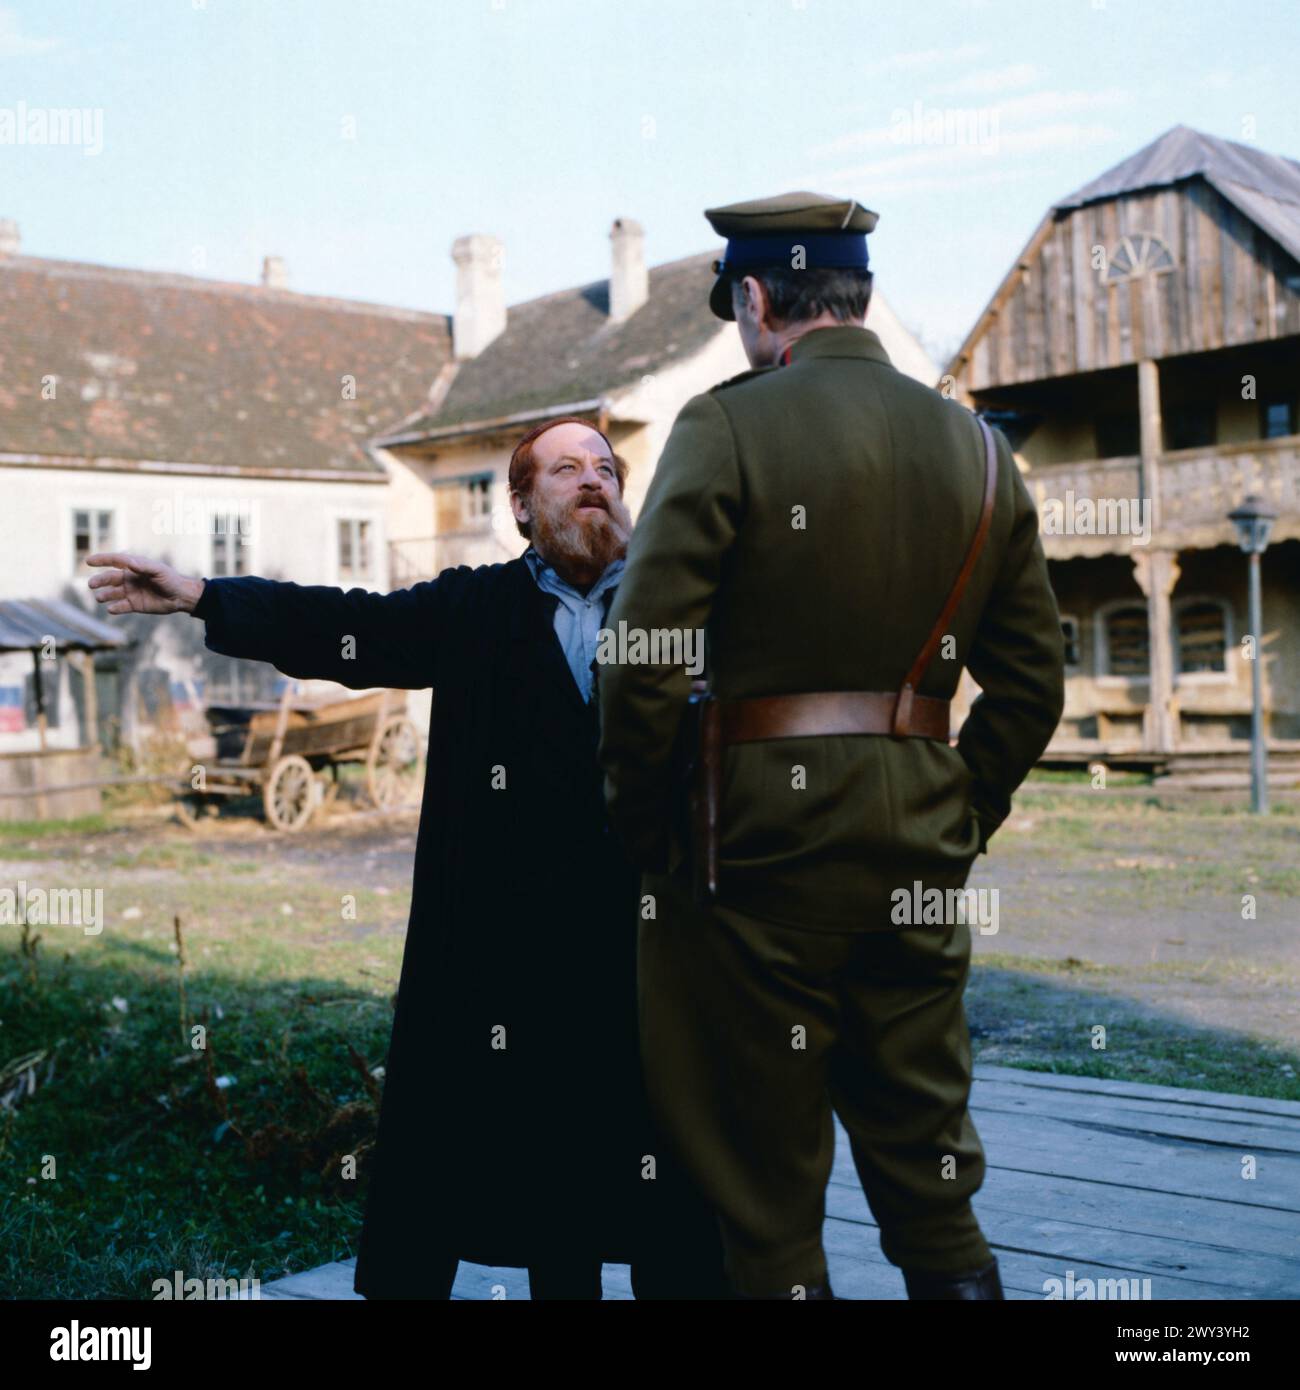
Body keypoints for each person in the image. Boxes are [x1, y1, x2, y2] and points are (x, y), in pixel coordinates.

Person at [87, 416, 726, 1300]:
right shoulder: (474, 608)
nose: (594, 480)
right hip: (512, 960)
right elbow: (345, 626)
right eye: (567, 468)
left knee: (667, 1196)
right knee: (549, 1198)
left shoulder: (680, 608)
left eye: (607, 468)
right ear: (521, 507)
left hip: (650, 952)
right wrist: (203, 595)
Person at [597, 191, 1066, 1300]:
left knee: (764, 1194)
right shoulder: (980, 450)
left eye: (738, 311)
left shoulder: (726, 425)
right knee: (930, 1169)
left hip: (754, 854)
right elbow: (1033, 680)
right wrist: (955, 804)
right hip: (917, 848)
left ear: (757, 300)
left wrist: (649, 827)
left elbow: (643, 653)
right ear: (853, 293)